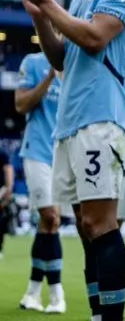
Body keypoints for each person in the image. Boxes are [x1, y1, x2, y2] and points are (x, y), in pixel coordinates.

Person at [13, 0, 125, 321]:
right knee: (86, 227)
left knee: (103, 225)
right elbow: (61, 59)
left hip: (102, 118)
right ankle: (96, 313)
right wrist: (40, 16)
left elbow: (94, 38)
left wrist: (49, 4)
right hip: (70, 122)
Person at [15, 50, 65, 313]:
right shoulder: (32, 62)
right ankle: (57, 294)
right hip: (36, 149)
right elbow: (21, 104)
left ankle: (32, 292)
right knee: (51, 217)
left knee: (48, 225)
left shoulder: (75, 59)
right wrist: (49, 77)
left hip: (63, 150)